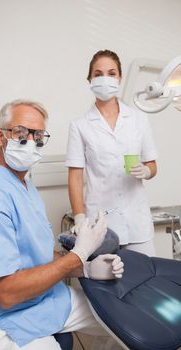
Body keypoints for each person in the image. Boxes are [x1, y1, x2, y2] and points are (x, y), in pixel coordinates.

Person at [0, 99, 124, 350]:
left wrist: (86, 269)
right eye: (21, 133)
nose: (30, 142)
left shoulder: (26, 187)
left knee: (118, 315)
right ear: (1, 137)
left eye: (38, 136)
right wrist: (77, 255)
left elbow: (37, 255)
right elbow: (6, 294)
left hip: (42, 301)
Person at [66, 50, 157, 257]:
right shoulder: (80, 126)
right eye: (98, 74)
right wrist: (79, 217)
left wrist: (146, 171)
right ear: (89, 79)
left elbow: (152, 165)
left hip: (137, 222)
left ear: (119, 78)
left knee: (146, 282)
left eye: (111, 72)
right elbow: (75, 175)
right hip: (100, 223)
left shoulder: (138, 119)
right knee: (105, 285)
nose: (105, 78)